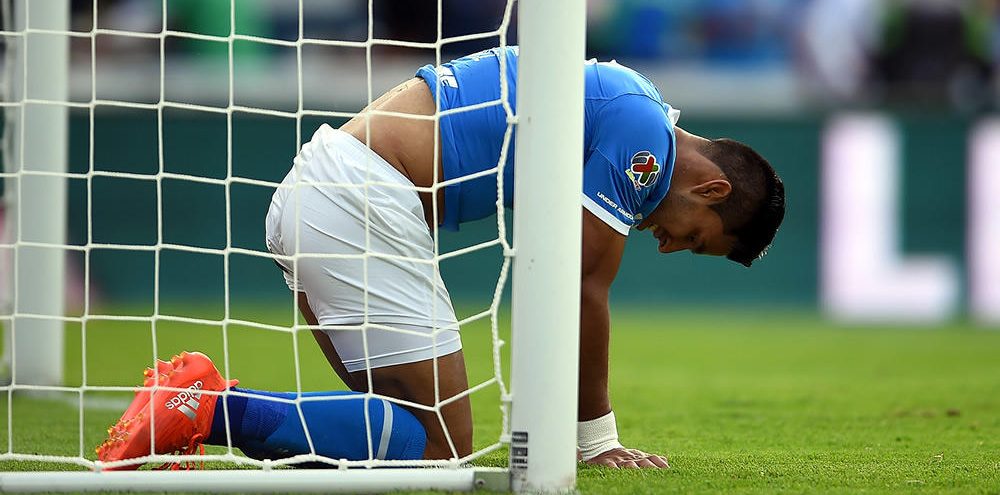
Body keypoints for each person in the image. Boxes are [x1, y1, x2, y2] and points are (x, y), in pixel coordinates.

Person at [96, 46, 785, 470]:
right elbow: (580, 288)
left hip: (325, 190)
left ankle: (200, 404)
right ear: (712, 190)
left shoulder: (632, 100)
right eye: (694, 237)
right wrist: (596, 439)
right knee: (440, 446)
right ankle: (201, 406)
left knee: (399, 441)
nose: (667, 244)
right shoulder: (645, 141)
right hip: (360, 200)